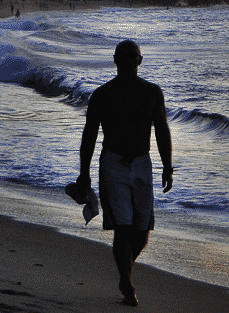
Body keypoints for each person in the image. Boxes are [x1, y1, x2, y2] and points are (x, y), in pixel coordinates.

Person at [76, 40, 173, 307]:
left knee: (142, 230)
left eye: (134, 57)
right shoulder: (102, 95)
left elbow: (162, 130)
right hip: (113, 164)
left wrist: (167, 166)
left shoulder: (152, 92)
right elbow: (89, 136)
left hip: (143, 164)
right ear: (115, 60)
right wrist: (84, 173)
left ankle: (124, 272)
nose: (129, 62)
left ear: (140, 62)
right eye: (124, 57)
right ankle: (128, 286)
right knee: (123, 226)